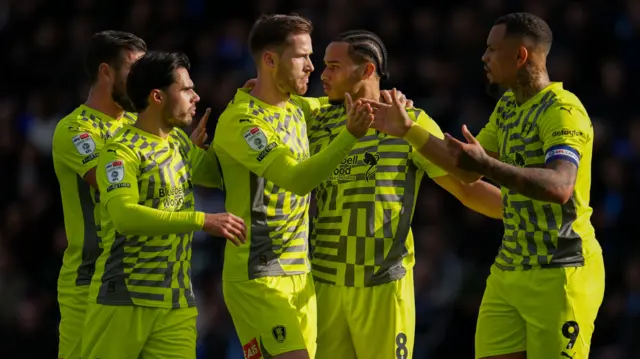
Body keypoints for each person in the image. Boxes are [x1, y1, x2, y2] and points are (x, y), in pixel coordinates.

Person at [365, 12, 604, 359]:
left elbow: (560, 185)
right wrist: (408, 131)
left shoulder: (563, 111)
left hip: (560, 273)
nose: (484, 57)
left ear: (520, 56)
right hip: (508, 271)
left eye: (492, 49)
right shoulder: (508, 106)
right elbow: (465, 167)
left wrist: (488, 165)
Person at [308, 30, 503, 359]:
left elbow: (465, 188)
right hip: (323, 282)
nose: (323, 74)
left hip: (381, 284)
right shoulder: (315, 121)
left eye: (333, 66)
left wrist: (528, 211)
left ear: (368, 70)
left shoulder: (408, 122)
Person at [212, 14, 375, 359]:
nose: (312, 67)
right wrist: (350, 136)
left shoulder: (297, 108)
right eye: (302, 56)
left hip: (300, 273)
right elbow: (296, 179)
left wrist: (384, 95)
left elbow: (339, 98)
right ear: (270, 60)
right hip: (258, 274)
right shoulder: (242, 121)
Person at [80, 51, 247, 359]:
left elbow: (216, 174)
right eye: (186, 89)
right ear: (157, 96)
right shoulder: (120, 151)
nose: (196, 96)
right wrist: (201, 220)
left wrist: (240, 115)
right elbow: (124, 214)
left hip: (176, 302)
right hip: (125, 298)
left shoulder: (180, 143)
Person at [51, 30, 146, 359]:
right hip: (87, 282)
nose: (142, 80)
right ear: (106, 71)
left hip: (140, 280)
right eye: (134, 69)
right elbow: (110, 182)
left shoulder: (140, 124)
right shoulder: (75, 130)